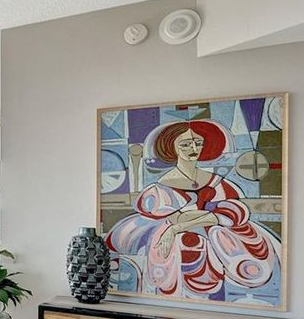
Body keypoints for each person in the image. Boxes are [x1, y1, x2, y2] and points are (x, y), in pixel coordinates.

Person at [105, 120, 281, 301]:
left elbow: (233, 213)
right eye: (185, 144)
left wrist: (179, 227)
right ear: (171, 148)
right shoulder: (160, 188)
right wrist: (207, 216)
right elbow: (178, 217)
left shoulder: (217, 182)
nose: (193, 148)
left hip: (219, 240)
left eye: (198, 143)